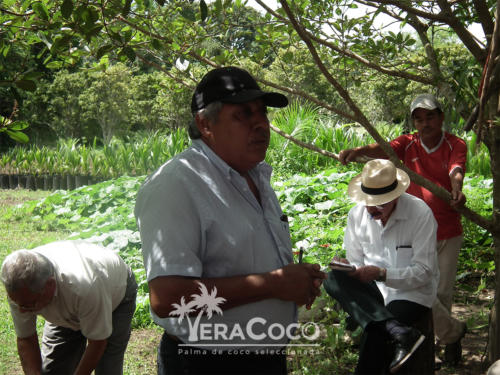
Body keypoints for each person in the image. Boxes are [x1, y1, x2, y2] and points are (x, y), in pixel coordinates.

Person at [134, 66, 326, 375]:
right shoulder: (176, 185)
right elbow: (167, 298)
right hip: (207, 363)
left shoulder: (253, 176)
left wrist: (294, 282)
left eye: (262, 113)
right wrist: (275, 284)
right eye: (244, 115)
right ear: (205, 124)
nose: (261, 125)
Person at [338, 93, 468, 365]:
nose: (425, 123)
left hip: (446, 230)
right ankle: (447, 336)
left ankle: (449, 338)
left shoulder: (455, 144)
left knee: (440, 294)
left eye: (430, 116)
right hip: (410, 231)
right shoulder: (408, 144)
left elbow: (457, 168)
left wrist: (456, 187)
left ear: (441, 117)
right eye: (418, 119)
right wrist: (358, 152)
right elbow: (382, 148)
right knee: (428, 296)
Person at [324, 159, 439, 374]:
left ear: (396, 196)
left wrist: (383, 273)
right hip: (374, 290)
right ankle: (397, 330)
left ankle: (391, 331)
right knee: (331, 279)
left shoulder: (420, 214)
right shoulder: (356, 215)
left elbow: (425, 272)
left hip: (411, 293)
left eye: (380, 203)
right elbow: (356, 259)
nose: (371, 210)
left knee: (375, 333)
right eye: (368, 201)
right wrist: (351, 269)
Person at [1, 240, 137, 375]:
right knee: (53, 371)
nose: (22, 310)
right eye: (17, 303)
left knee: (107, 369)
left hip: (116, 296)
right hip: (71, 301)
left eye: (29, 305)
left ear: (50, 285)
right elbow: (26, 338)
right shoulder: (20, 289)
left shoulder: (84, 287)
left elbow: (98, 342)